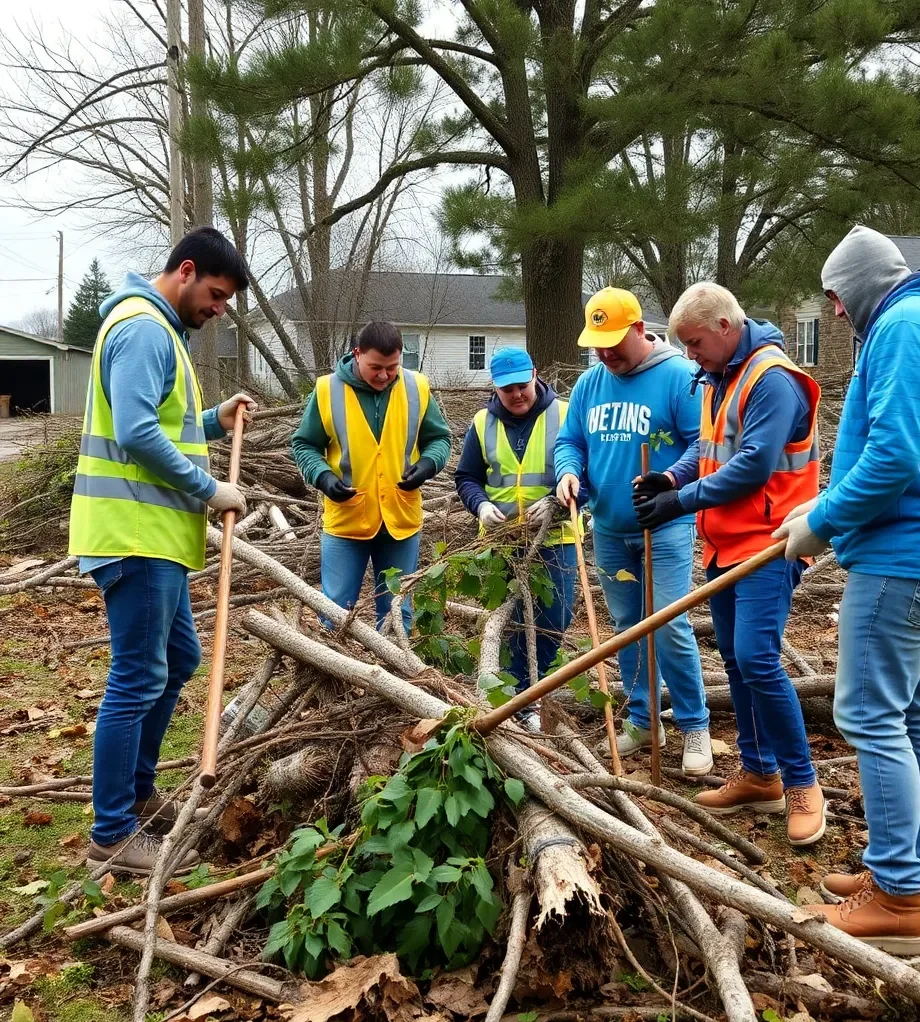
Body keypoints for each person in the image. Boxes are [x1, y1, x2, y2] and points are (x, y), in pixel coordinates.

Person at [774, 226, 920, 954]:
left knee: (869, 714)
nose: (834, 313)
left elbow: (896, 456)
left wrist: (824, 522)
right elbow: (905, 448)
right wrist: (823, 505)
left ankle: (895, 896)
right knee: (910, 713)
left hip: (906, 559)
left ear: (863, 285)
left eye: (836, 296)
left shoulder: (903, 326)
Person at [68, 226, 253, 875]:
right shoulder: (146, 327)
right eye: (217, 294)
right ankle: (113, 832)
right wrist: (211, 489)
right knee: (138, 675)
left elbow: (160, 423)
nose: (219, 309)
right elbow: (136, 430)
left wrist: (213, 419)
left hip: (152, 536)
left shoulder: (156, 331)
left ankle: (139, 796)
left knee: (177, 658)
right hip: (135, 534)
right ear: (187, 271)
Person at [632, 282, 826, 846]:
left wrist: (680, 502)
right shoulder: (719, 375)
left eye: (694, 342)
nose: (688, 354)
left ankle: (801, 783)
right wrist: (671, 475)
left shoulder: (774, 380)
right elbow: (711, 445)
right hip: (724, 544)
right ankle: (758, 772)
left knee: (758, 659)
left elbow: (752, 466)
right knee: (739, 665)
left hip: (771, 541)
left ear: (724, 326)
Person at [553, 287, 712, 775]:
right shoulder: (589, 384)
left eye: (614, 343)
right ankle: (644, 720)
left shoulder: (680, 377)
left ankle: (694, 726)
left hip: (664, 525)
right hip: (608, 527)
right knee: (626, 629)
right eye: (598, 344)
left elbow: (701, 442)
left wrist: (669, 481)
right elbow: (570, 439)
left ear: (640, 329)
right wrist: (567, 471)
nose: (606, 353)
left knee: (665, 622)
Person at [291, 321, 451, 632]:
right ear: (357, 354)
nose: (383, 375)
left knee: (396, 612)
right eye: (375, 367)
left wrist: (429, 464)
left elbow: (440, 439)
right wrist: (322, 477)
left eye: (392, 367)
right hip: (346, 519)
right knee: (334, 610)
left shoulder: (416, 387)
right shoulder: (328, 390)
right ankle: (333, 675)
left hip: (400, 519)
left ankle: (390, 674)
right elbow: (304, 444)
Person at [455, 347, 583, 730]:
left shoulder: (564, 414)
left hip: (555, 537)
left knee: (552, 620)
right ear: (495, 388)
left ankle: (533, 693)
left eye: (522, 386)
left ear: (536, 375)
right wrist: (479, 506)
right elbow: (467, 478)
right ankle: (510, 698)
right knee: (507, 622)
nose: (517, 395)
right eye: (507, 389)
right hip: (501, 541)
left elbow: (586, 474)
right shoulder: (481, 423)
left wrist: (557, 505)